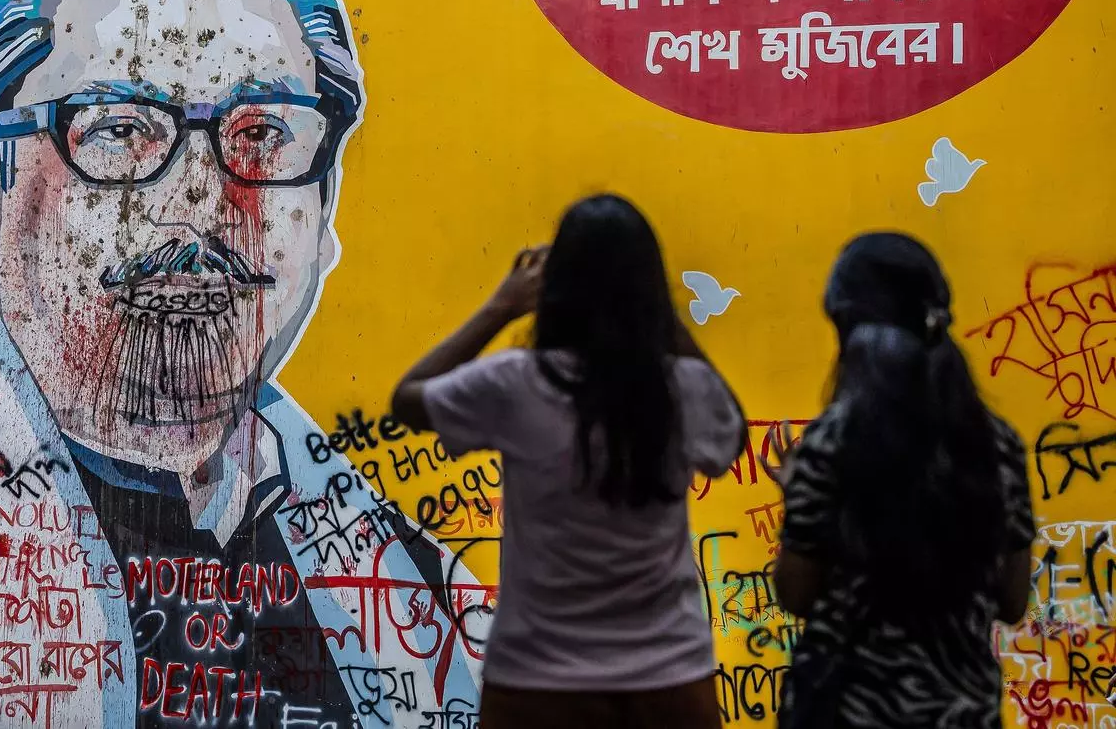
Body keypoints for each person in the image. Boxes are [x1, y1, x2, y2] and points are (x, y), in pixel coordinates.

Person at [0, 0, 483, 728]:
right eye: (117, 130)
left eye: (261, 133)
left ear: (324, 215)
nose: (200, 204)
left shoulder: (425, 594)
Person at [390, 193, 748, 728]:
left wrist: (501, 306)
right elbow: (733, 432)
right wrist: (658, 313)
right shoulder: (681, 390)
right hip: (670, 682)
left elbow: (409, 399)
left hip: (537, 684)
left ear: (554, 291)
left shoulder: (516, 383)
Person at [767, 232, 1034, 729]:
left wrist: (800, 497)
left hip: (845, 712)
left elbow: (797, 595)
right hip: (961, 713)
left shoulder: (832, 444)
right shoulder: (997, 446)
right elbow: (1013, 601)